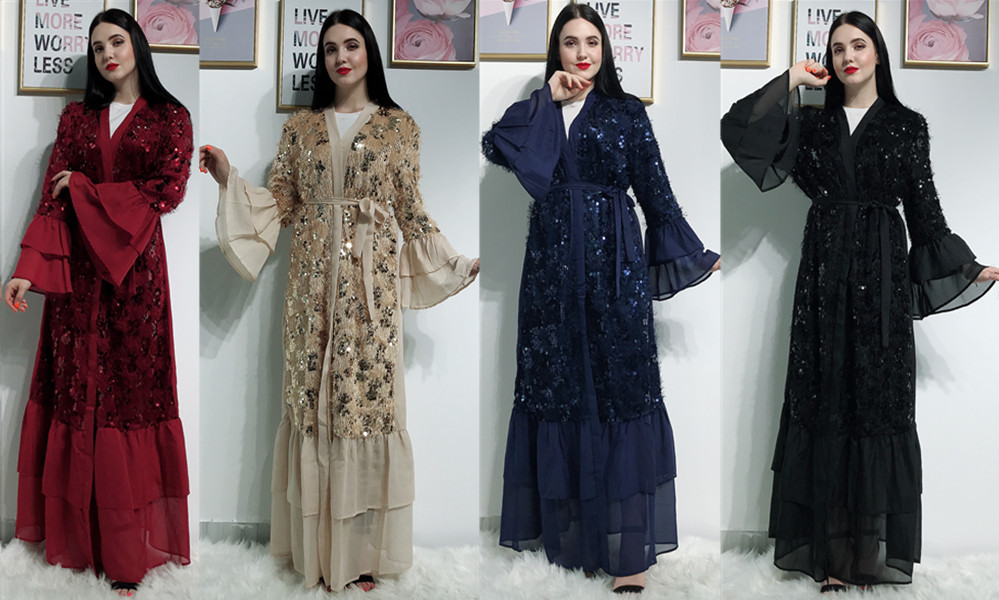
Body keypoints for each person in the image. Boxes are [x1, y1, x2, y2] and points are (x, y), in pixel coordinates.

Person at [200, 9, 478, 592]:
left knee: (363, 408)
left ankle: (361, 556)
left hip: (371, 295)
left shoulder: (400, 127)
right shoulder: (300, 128)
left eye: (351, 45)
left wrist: (453, 263)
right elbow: (281, 203)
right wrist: (228, 178)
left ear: (369, 52)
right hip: (309, 293)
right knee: (311, 405)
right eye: (329, 49)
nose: (340, 57)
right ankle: (316, 553)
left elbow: (411, 209)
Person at [721, 11, 997, 594]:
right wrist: (792, 79)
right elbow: (739, 129)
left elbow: (925, 211)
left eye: (859, 45)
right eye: (837, 48)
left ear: (878, 53)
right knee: (824, 401)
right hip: (822, 278)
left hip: (882, 279)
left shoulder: (907, 126)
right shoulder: (811, 122)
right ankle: (828, 559)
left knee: (873, 404)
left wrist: (967, 268)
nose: (848, 57)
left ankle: (863, 557)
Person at [481, 4, 719, 594]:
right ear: (556, 51)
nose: (582, 52)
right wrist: (547, 98)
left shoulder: (626, 111)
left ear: (606, 49)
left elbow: (655, 191)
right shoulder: (541, 110)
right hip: (551, 274)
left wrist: (691, 251)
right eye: (570, 42)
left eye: (592, 41)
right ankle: (573, 543)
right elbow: (496, 145)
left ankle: (628, 553)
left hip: (616, 269)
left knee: (620, 391)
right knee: (557, 388)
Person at [3, 8, 194, 598]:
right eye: (97, 47)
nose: (108, 54)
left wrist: (86, 188)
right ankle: (78, 545)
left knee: (127, 400)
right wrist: (26, 272)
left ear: (138, 46)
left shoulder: (170, 117)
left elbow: (169, 190)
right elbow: (52, 198)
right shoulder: (77, 118)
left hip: (137, 281)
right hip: (78, 282)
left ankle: (127, 556)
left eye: (117, 41)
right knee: (77, 394)